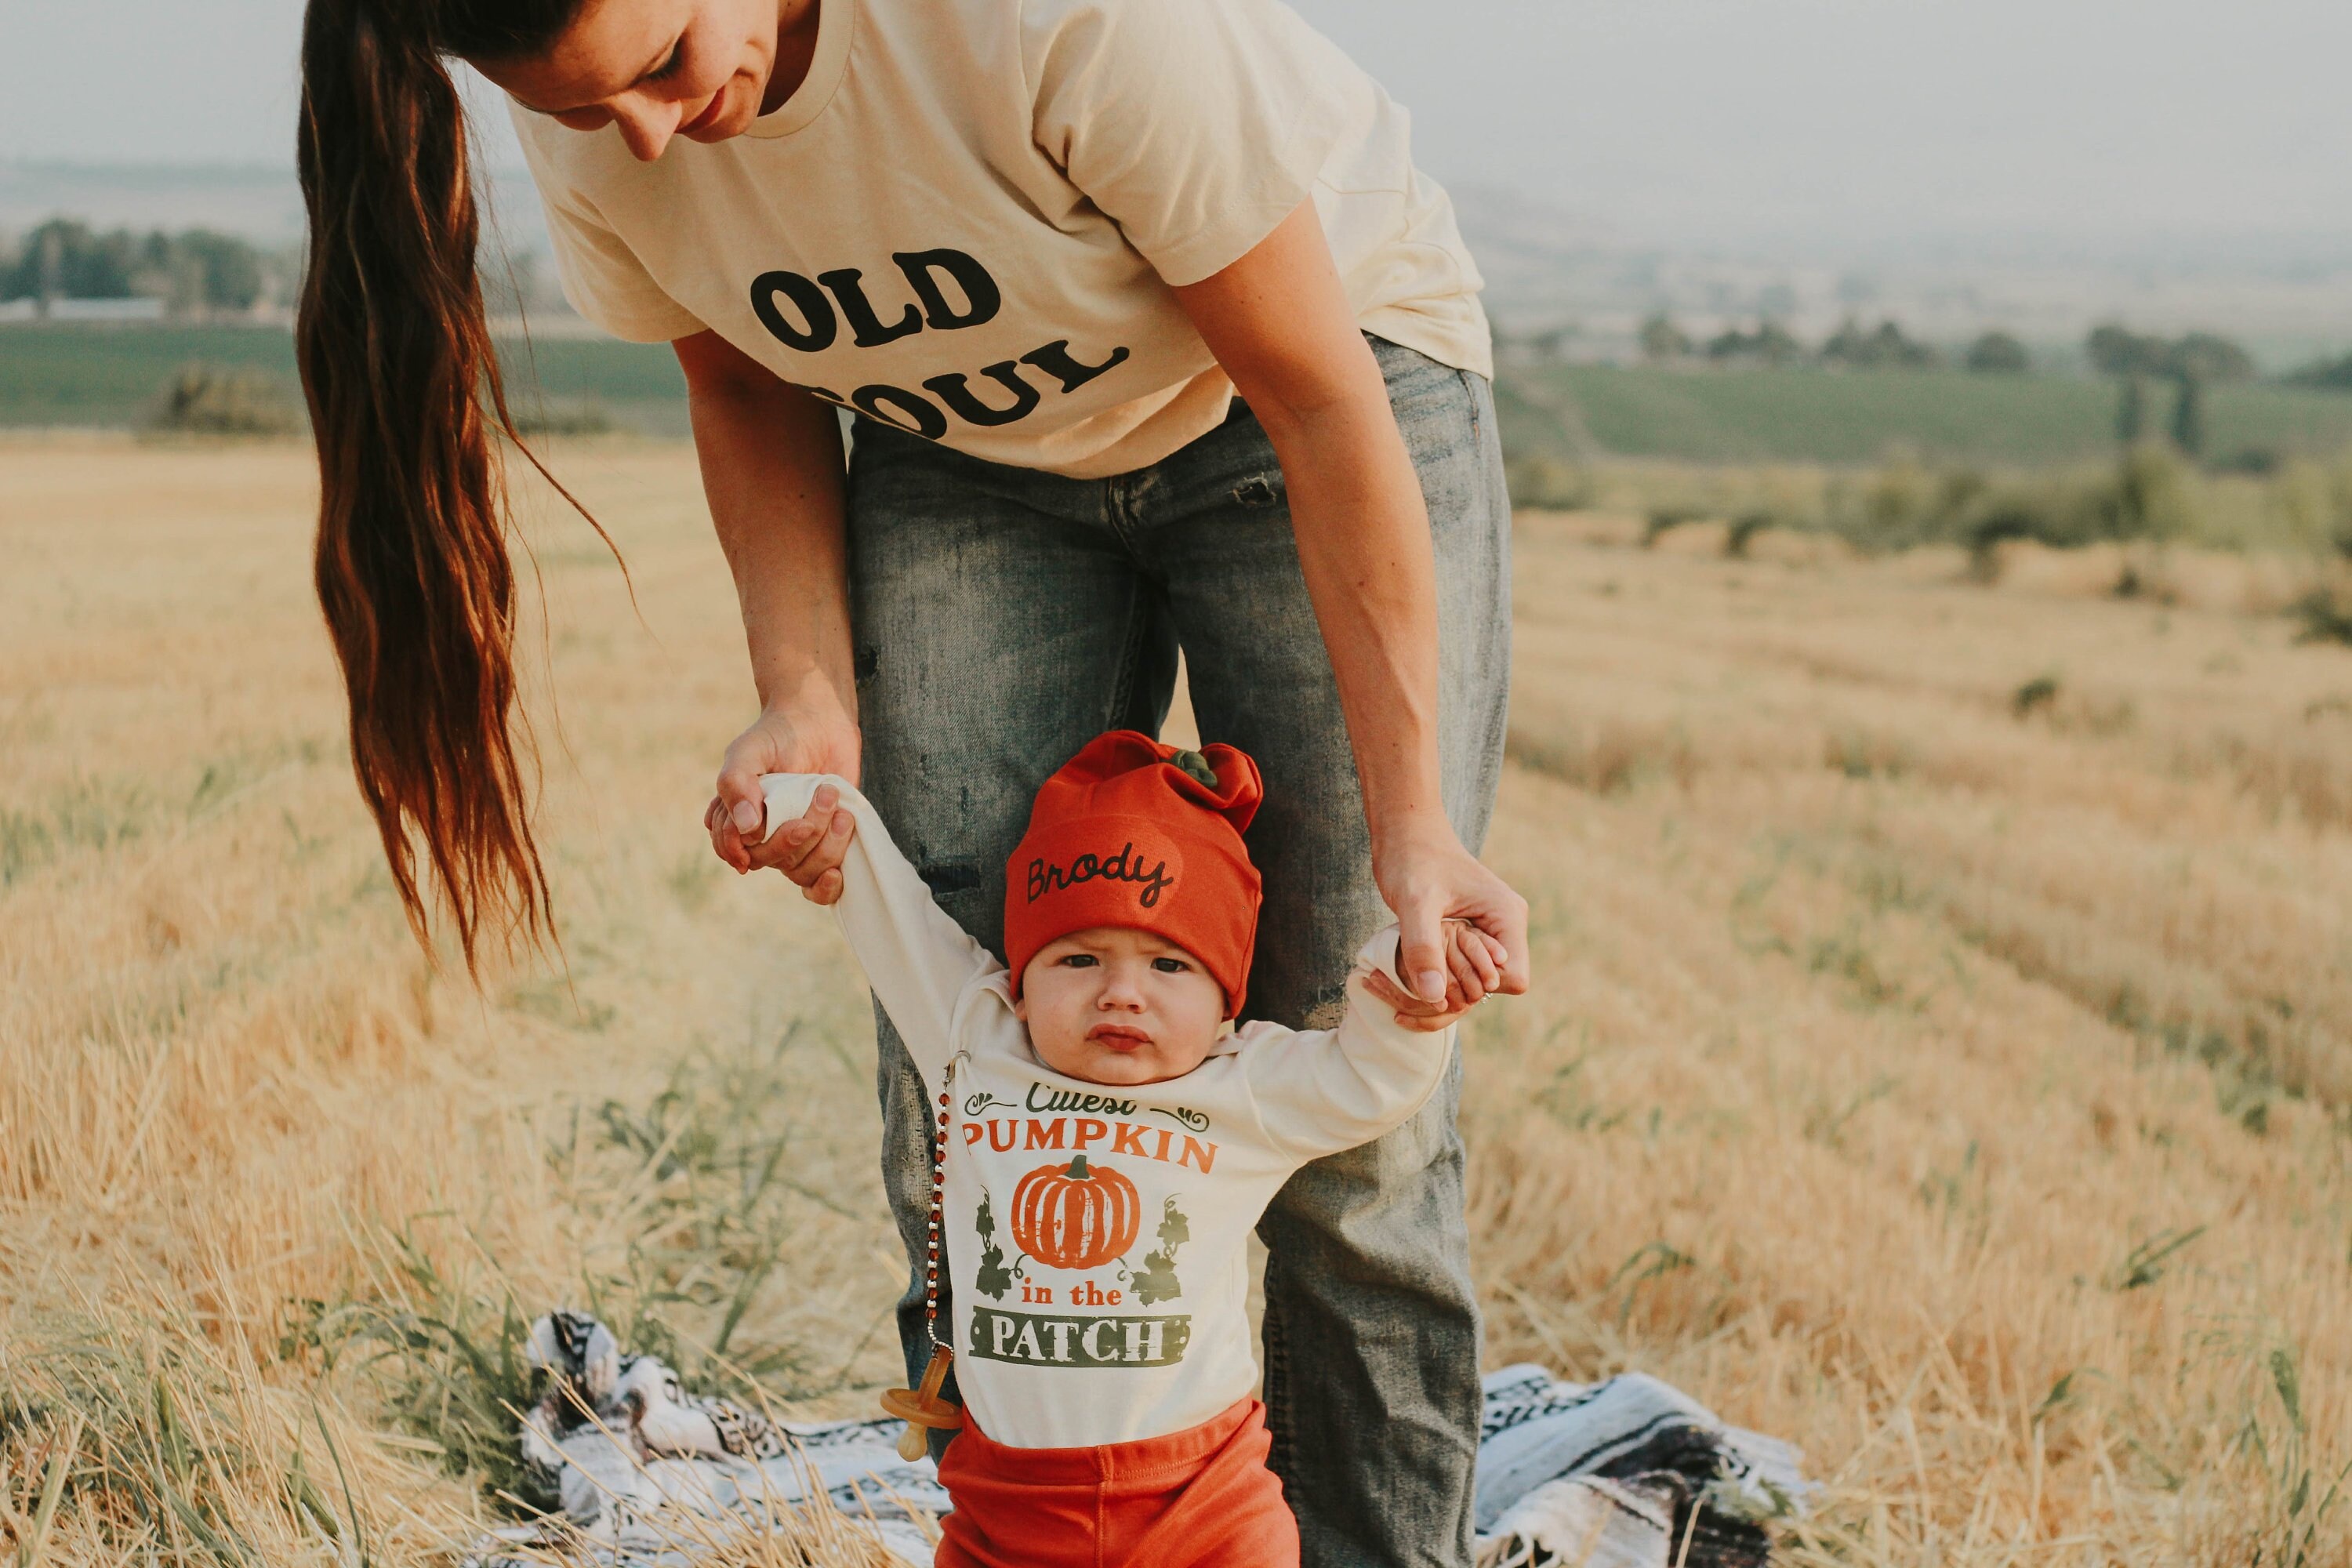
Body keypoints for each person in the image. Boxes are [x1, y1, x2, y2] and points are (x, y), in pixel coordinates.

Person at [293, 0, 1529, 1557]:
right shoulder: (597, 100)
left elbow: (1317, 393)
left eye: (668, 67)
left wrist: (1415, 829)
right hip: (966, 449)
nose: (659, 140)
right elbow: (743, 380)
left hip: (1296, 398)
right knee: (963, 1107)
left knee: (1353, 1124)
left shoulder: (1046, 23)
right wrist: (803, 704)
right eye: (599, 111)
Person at [757, 732, 1505, 1568]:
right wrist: (799, 805)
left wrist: (1406, 982)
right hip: (1010, 1507)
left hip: (1203, 1502)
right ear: (1018, 980)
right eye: (1078, 957)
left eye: (1168, 963)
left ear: (1226, 995)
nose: (1122, 990)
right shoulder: (975, 1038)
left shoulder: (1242, 1085)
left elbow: (1373, 1075)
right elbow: (889, 906)